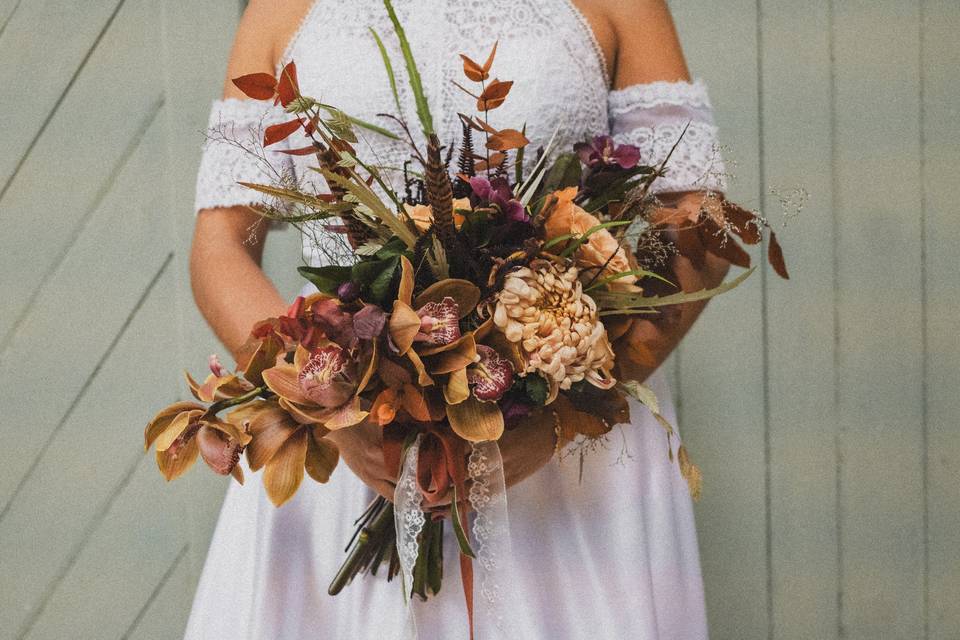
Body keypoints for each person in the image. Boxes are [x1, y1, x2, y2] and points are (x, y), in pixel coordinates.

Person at [187, 1, 731, 638]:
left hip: (564, 453)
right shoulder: (283, 9)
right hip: (349, 440)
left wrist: (564, 416)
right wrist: (326, 401)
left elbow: (698, 224)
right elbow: (220, 245)